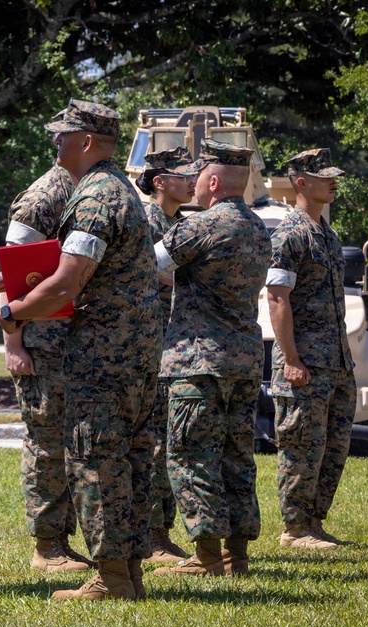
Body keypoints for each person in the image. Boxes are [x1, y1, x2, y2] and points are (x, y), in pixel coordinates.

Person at [0, 99, 162, 600]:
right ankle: (127, 571)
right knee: (130, 455)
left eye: (63, 135)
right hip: (131, 349)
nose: (55, 143)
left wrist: (12, 314)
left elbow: (66, 282)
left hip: (103, 354)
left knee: (96, 456)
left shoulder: (94, 197)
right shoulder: (119, 190)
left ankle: (111, 576)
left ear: (87, 142)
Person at [153, 138, 272, 577]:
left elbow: (151, 264)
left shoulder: (201, 226)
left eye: (197, 175)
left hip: (198, 361)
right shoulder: (258, 226)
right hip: (243, 360)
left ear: (214, 180)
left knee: (189, 455)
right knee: (237, 456)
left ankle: (206, 557)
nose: (192, 183)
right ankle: (235, 555)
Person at [0, 160, 96, 573]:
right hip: (42, 343)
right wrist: (14, 344)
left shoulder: (89, 189)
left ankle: (63, 539)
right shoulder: (43, 197)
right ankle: (47, 545)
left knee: (74, 444)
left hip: (75, 341)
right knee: (46, 445)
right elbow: (13, 275)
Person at [266, 148, 356, 549]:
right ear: (301, 180)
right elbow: (277, 298)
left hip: (334, 362)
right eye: (325, 176)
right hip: (304, 363)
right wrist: (291, 359)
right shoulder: (290, 233)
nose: (333, 181)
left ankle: (314, 523)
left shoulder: (328, 234)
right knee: (301, 446)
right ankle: (294, 529)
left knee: (331, 449)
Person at [135, 146, 197, 564]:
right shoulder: (145, 223)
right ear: (160, 181)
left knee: (170, 442)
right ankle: (152, 537)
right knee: (154, 443)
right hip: (149, 348)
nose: (193, 180)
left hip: (176, 347)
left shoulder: (184, 224)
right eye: (183, 174)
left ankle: (162, 532)